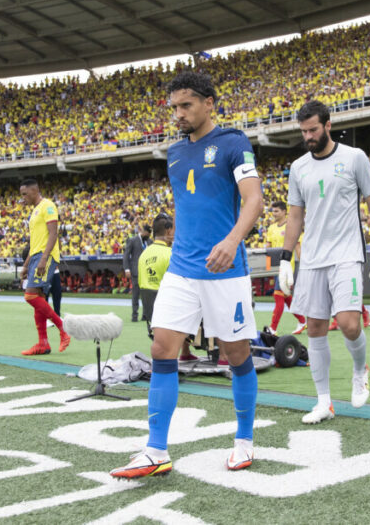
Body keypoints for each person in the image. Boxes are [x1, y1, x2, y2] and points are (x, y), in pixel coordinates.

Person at [112, 71, 263, 479]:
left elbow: (254, 199)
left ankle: (245, 440)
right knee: (162, 348)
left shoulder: (233, 143)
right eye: (174, 107)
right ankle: (155, 449)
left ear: (209, 103)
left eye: (186, 106)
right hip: (181, 268)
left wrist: (232, 241)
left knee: (236, 355)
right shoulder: (175, 153)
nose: (178, 114)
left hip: (225, 271)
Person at [277, 100, 370, 423]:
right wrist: (286, 259)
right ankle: (324, 402)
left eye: (313, 129)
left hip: (346, 254)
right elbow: (295, 215)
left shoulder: (354, 158)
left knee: (348, 323)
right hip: (312, 258)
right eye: (303, 131)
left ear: (328, 125)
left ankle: (360, 370)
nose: (308, 136)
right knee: (314, 328)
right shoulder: (298, 167)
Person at [18, 179, 70, 355]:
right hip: (36, 256)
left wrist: (44, 258)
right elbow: (34, 243)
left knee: (30, 295)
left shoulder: (48, 206)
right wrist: (26, 265)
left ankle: (63, 329)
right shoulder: (34, 212)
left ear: (35, 190)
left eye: (25, 194)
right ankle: (43, 343)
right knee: (39, 299)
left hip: (45, 256)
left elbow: (53, 234)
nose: (23, 198)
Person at [265, 200, 306, 335]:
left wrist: (304, 265)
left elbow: (297, 246)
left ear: (284, 211)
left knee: (278, 296)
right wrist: (267, 268)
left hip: (287, 267)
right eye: (273, 211)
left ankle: (273, 329)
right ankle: (302, 321)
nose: (274, 213)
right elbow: (268, 248)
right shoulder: (271, 228)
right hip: (275, 267)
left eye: (276, 211)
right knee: (286, 298)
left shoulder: (291, 226)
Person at [137, 214, 173, 339]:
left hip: (151, 311)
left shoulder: (143, 254)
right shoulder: (171, 254)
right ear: (169, 231)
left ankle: (185, 352)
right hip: (168, 310)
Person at [123, 222, 151, 322]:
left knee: (146, 294)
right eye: (147, 234)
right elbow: (126, 255)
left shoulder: (149, 241)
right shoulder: (132, 240)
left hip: (147, 272)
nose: (148, 237)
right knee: (135, 294)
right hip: (135, 271)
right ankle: (134, 315)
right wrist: (127, 269)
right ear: (143, 232)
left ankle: (145, 315)